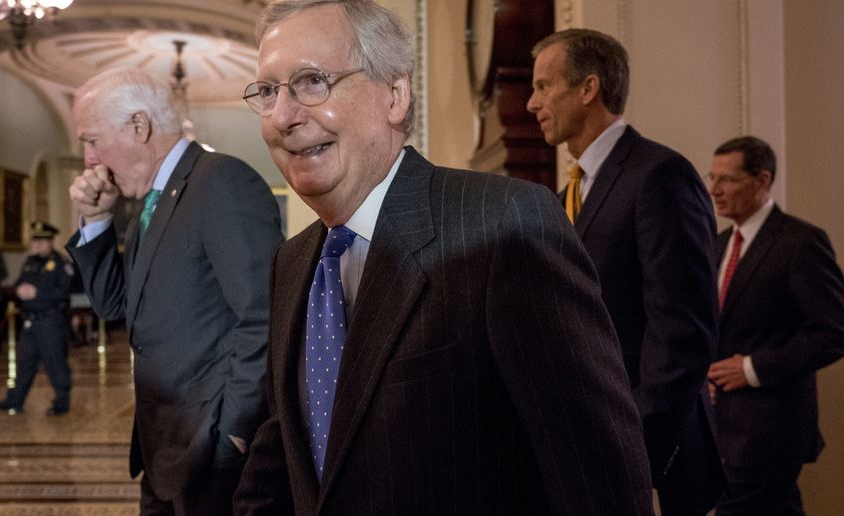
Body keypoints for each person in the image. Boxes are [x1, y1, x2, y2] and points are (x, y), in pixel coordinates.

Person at [234, 1, 653, 514]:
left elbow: (598, 478)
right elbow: (285, 454)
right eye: (269, 92)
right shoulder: (293, 265)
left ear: (395, 93)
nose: (282, 117)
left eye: (312, 81)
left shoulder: (503, 226)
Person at [66, 67, 284, 515]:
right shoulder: (151, 200)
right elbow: (113, 306)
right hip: (163, 447)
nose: (89, 159)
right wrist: (96, 219)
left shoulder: (220, 181)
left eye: (91, 140)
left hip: (213, 452)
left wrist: (233, 436)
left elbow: (266, 317)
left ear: (139, 126)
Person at [526, 29, 723, 515]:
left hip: (650, 459)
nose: (533, 103)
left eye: (544, 86)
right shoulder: (563, 195)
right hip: (583, 451)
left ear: (588, 88)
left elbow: (683, 332)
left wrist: (634, 448)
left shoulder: (658, 175)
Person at [706, 136, 844, 515]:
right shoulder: (719, 243)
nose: (714, 190)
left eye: (727, 180)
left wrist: (752, 368)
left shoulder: (800, 242)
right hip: (721, 429)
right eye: (712, 178)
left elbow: (837, 332)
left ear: (762, 181)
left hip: (771, 428)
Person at [0, 222, 75, 416]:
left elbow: (64, 292)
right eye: (36, 241)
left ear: (51, 241)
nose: (38, 245)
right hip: (29, 321)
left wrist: (37, 292)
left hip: (49, 320)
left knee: (54, 362)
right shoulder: (30, 262)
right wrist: (18, 290)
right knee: (25, 362)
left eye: (42, 241)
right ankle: (14, 400)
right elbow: (19, 283)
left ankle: (61, 401)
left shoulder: (61, 264)